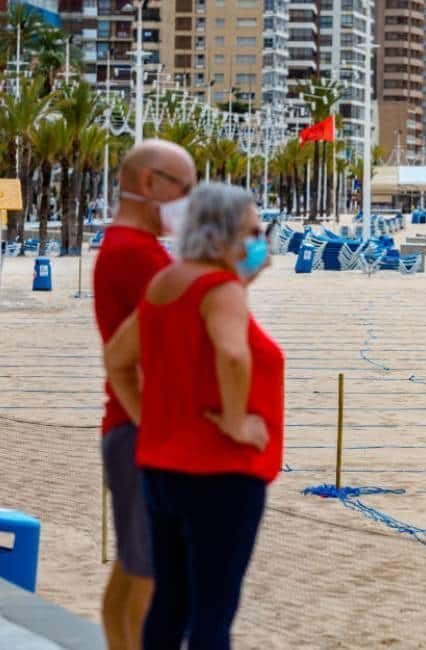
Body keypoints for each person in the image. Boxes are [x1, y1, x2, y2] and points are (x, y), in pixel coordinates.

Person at [104, 183, 284, 650]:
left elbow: (118, 359)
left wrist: (149, 419)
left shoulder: (167, 282)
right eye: (252, 231)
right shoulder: (219, 287)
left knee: (170, 606)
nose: (260, 241)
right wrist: (236, 419)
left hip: (164, 469)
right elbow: (232, 355)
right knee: (212, 613)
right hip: (221, 471)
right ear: (220, 234)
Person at [93, 139, 196, 650]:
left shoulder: (127, 248)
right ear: (149, 183)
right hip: (143, 431)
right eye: (185, 187)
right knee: (151, 582)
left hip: (129, 427)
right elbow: (136, 355)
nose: (189, 201)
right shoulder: (136, 255)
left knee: (133, 573)